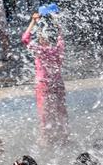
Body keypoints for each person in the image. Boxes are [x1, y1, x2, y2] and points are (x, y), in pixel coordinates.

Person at [21, 10, 68, 145]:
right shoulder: (58, 49)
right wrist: (56, 21)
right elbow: (61, 35)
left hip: (44, 85)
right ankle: (64, 138)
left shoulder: (39, 50)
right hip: (58, 83)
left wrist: (33, 21)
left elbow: (25, 39)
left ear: (42, 39)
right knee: (61, 111)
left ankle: (45, 140)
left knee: (44, 114)